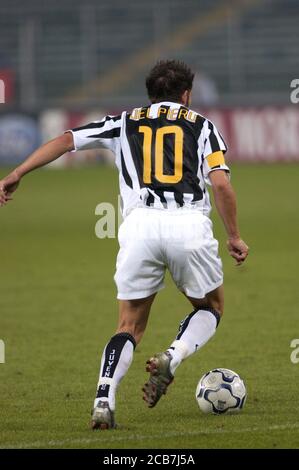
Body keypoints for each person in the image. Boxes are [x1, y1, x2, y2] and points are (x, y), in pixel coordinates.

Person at [0, 60, 249, 430]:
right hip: (189, 227)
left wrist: (18, 172)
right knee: (211, 307)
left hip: (139, 229)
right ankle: (173, 355)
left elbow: (66, 140)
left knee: (128, 326)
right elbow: (223, 185)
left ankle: (103, 398)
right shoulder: (204, 127)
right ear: (187, 94)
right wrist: (233, 236)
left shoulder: (125, 121)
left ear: (149, 94)